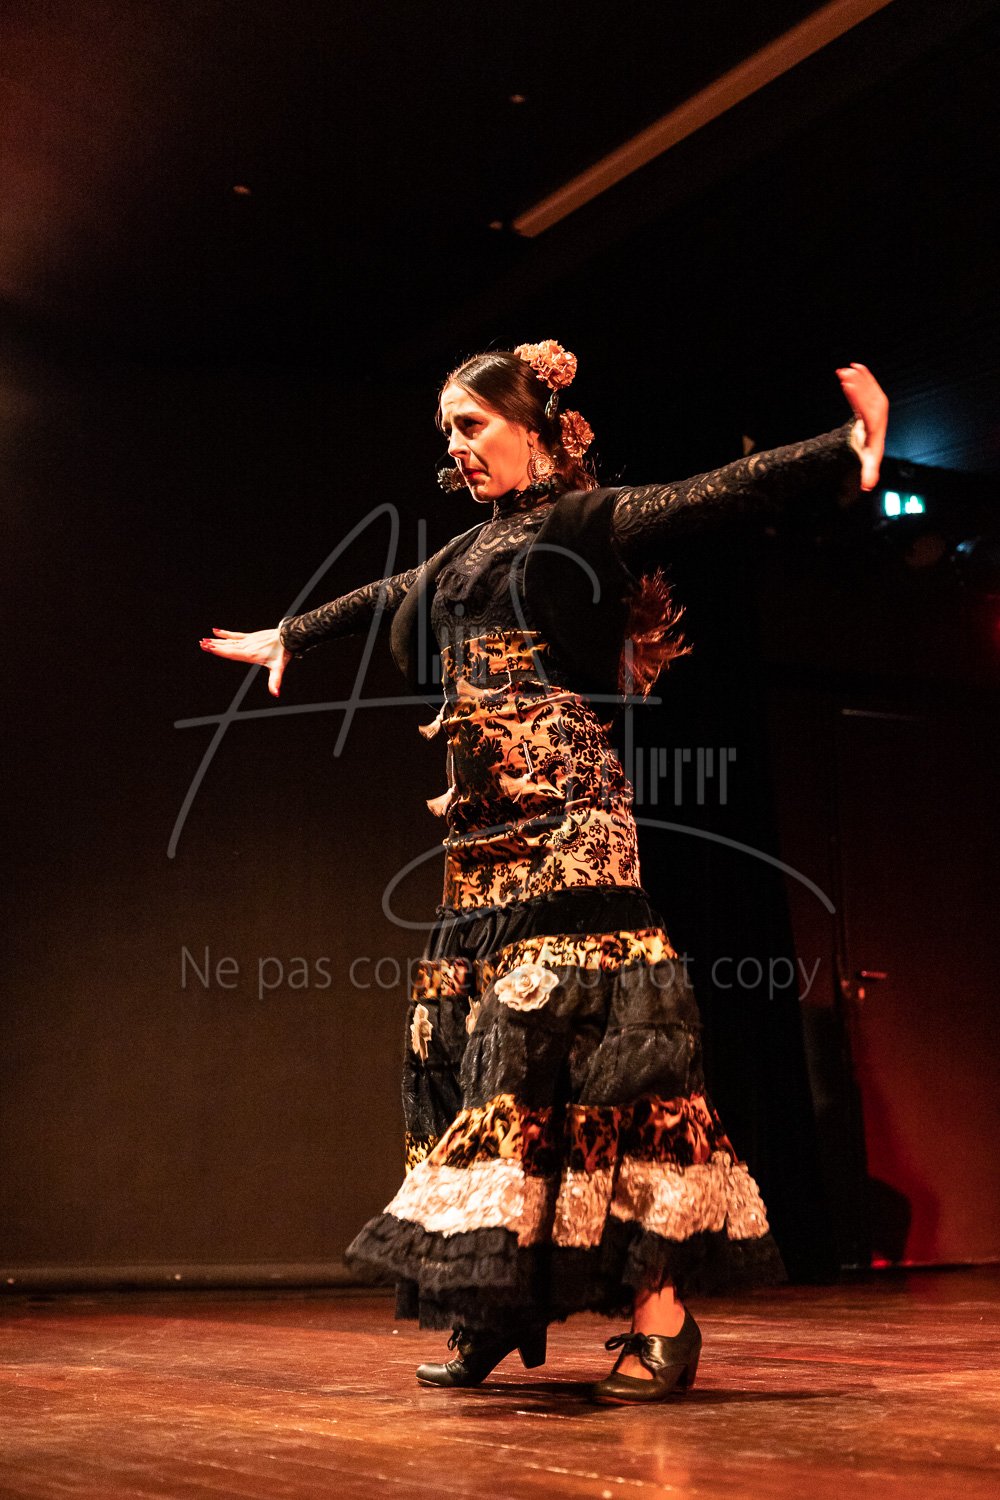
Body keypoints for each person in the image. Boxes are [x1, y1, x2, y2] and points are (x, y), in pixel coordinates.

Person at [200, 342, 887, 1404]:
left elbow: (711, 493)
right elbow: (382, 594)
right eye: (446, 432)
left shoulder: (583, 523)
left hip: (571, 831)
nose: (457, 447)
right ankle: (496, 1308)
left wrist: (845, 446)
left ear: (535, 427)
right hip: (478, 853)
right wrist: (293, 634)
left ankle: (663, 1321)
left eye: (472, 425)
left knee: (603, 1071)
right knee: (475, 1068)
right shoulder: (462, 552)